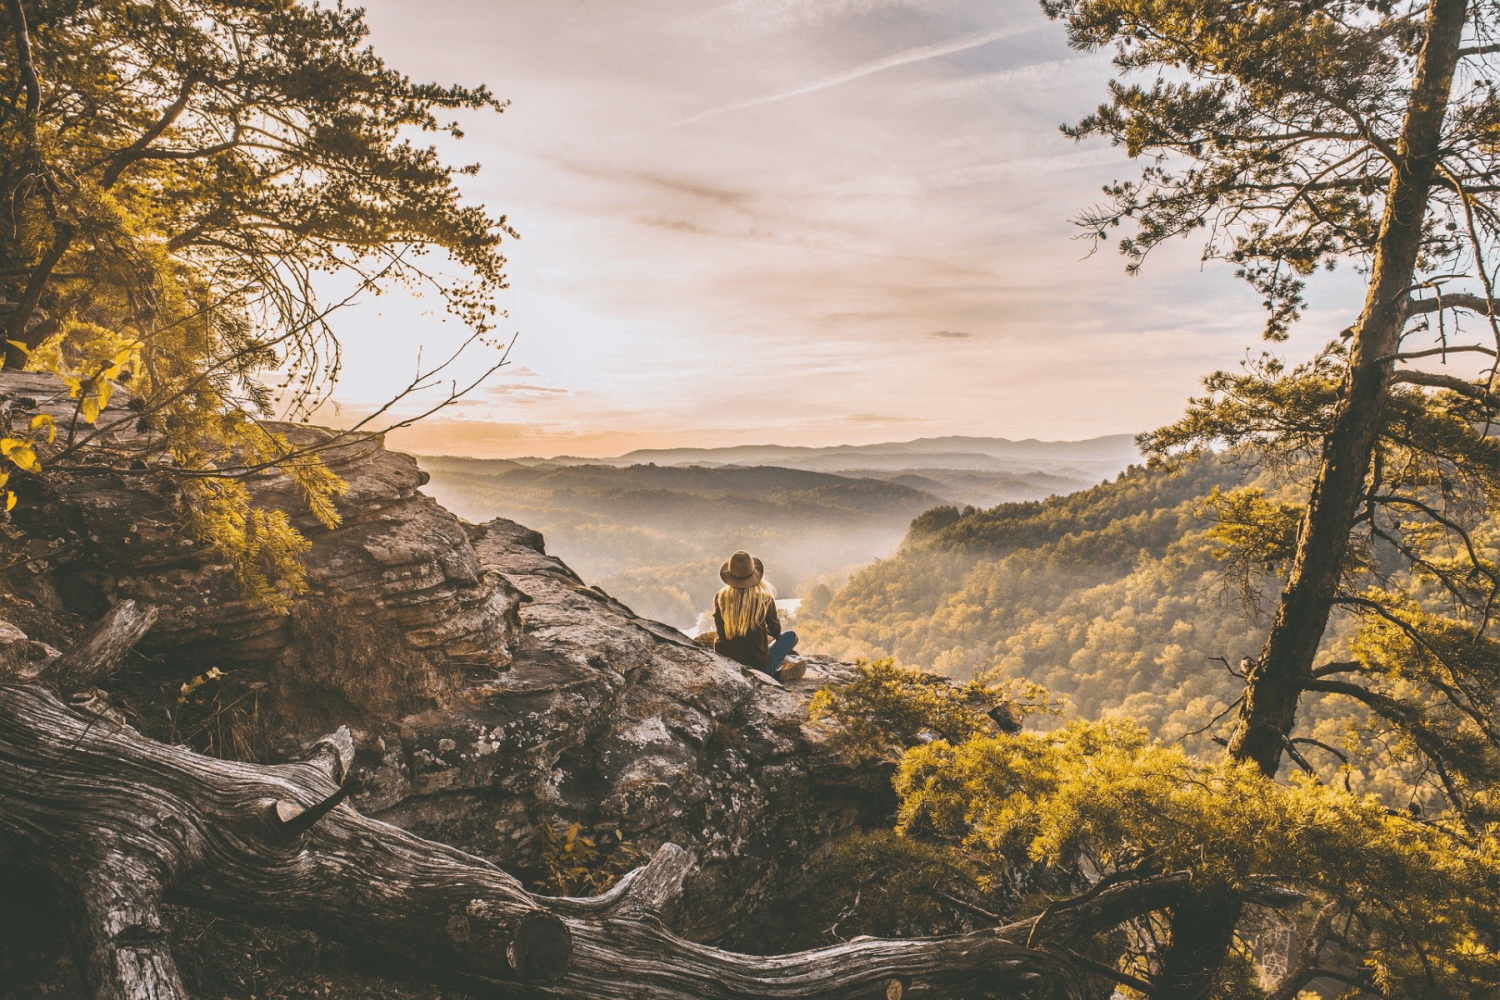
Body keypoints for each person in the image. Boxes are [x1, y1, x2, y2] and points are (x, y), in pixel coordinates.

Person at [713, 550, 804, 682]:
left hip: (727, 665)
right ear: (754, 574)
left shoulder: (720, 598)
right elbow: (776, 632)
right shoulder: (764, 598)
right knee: (790, 636)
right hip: (757, 664)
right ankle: (773, 675)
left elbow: (720, 631)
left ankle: (771, 675)